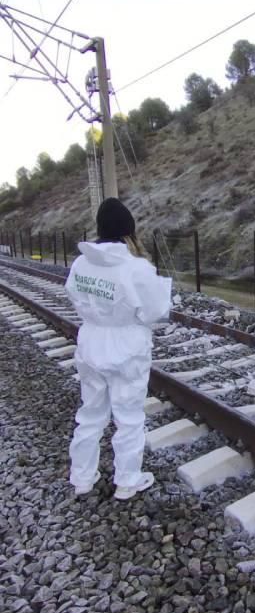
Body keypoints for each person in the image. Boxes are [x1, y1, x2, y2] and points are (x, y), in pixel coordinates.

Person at [64, 198, 173, 500]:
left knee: (90, 413)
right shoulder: (136, 268)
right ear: (129, 232)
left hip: (91, 342)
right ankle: (127, 481)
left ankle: (82, 478)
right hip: (127, 347)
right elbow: (156, 312)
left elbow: (74, 296)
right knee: (128, 416)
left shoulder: (81, 263)